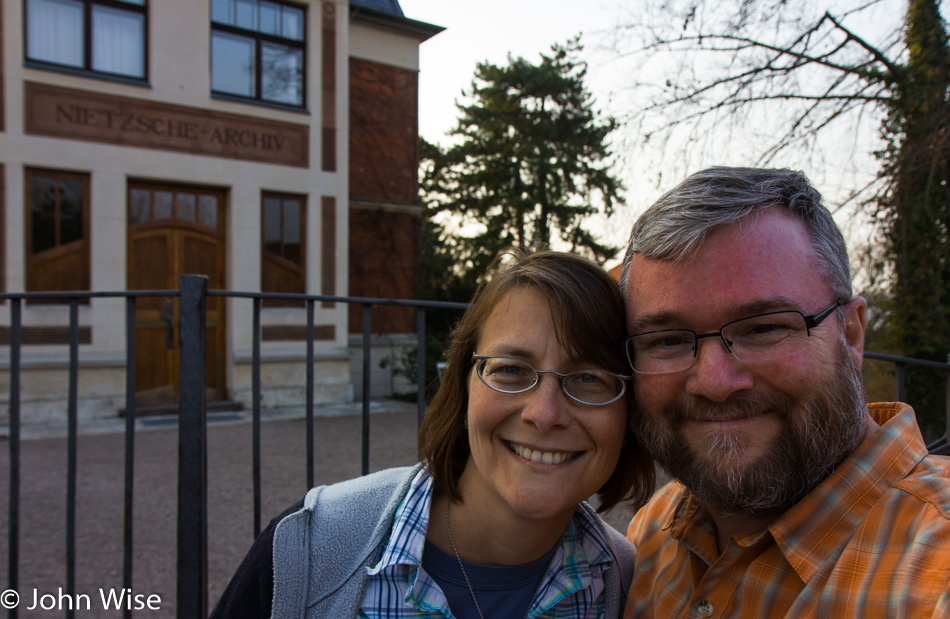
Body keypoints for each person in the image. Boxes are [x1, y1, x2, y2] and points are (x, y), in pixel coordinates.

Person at [211, 249, 654, 618]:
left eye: (589, 378)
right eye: (511, 370)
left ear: (629, 416)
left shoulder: (631, 586)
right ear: (463, 388)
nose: (545, 413)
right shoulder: (308, 548)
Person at [618, 166, 950, 617]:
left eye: (765, 328)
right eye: (667, 341)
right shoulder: (656, 528)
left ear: (850, 334)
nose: (714, 383)